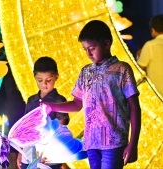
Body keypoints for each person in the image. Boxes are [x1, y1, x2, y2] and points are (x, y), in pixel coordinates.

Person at [41, 20, 141, 169]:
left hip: (114, 143)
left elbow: (135, 108)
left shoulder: (122, 70)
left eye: (92, 48)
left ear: (107, 44)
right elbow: (76, 104)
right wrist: (51, 106)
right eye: (85, 49)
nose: (88, 53)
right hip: (91, 143)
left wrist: (133, 144)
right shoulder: (85, 72)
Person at [17, 56, 70, 169]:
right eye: (40, 80)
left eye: (48, 80)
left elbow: (62, 123)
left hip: (50, 153)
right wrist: (20, 151)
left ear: (56, 77)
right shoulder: (32, 100)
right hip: (29, 151)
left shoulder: (59, 100)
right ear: (34, 77)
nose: (44, 84)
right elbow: (24, 127)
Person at [137, 14, 163, 96]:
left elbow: (139, 70)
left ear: (153, 30)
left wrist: (139, 56)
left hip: (157, 96)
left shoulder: (150, 45)